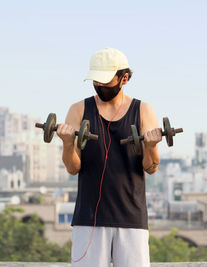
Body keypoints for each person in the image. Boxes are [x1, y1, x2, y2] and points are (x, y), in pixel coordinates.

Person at [56, 47, 161, 267]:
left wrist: (150, 146)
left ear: (124, 78)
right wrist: (67, 144)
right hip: (88, 220)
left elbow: (151, 167)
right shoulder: (78, 110)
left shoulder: (143, 110)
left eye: (106, 81)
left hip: (131, 218)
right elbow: (73, 168)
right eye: (97, 81)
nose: (101, 86)